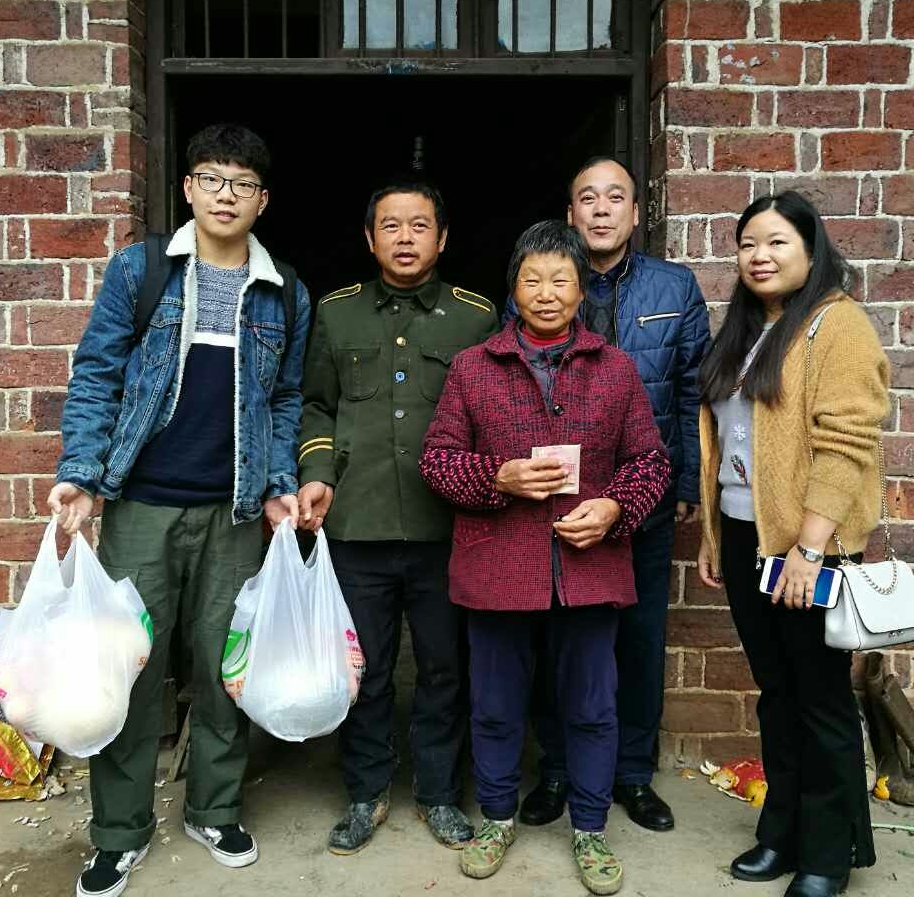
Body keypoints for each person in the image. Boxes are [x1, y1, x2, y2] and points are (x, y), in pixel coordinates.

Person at [48, 123, 311, 897]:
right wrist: (82, 474)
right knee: (130, 671)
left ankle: (214, 809)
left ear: (263, 200)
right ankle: (119, 832)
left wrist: (277, 482)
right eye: (212, 179)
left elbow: (285, 398)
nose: (227, 195)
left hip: (234, 512)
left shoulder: (284, 290)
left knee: (226, 667)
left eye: (243, 184)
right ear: (190, 189)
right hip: (143, 505)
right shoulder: (142, 272)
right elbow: (97, 372)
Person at [420, 220, 671, 896]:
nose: (547, 293)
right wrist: (496, 478)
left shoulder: (614, 369)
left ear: (582, 289)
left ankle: (589, 829)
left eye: (561, 279)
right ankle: (497, 818)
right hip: (498, 564)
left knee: (592, 706)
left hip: (587, 567)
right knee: (495, 705)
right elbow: (437, 460)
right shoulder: (474, 367)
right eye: (532, 279)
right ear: (514, 289)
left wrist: (614, 507)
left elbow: (650, 462)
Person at [296, 177, 498, 855]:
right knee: (365, 669)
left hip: (449, 528)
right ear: (369, 238)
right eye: (391, 225)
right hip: (359, 521)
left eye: (419, 226)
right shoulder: (336, 313)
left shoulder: (474, 318)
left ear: (443, 239)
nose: (405, 238)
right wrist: (318, 474)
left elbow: (491, 416)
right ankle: (366, 791)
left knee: (445, 669)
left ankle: (439, 793)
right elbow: (316, 405)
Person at [695, 191, 887, 897]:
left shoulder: (838, 325)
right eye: (748, 244)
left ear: (811, 249)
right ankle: (781, 832)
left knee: (820, 699)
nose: (760, 256)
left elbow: (846, 442)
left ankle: (828, 855)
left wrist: (808, 548)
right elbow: (729, 445)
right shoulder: (746, 330)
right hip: (745, 535)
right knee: (776, 693)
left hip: (808, 542)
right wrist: (714, 535)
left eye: (776, 242)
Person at [517, 156, 709, 833]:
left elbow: (693, 390)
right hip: (557, 500)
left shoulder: (674, 286)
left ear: (635, 211)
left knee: (638, 639)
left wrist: (686, 481)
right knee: (555, 638)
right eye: (588, 199)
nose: (601, 210)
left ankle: (631, 773)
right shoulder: (543, 281)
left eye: (615, 198)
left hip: (640, 497)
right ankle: (557, 769)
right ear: (570, 213)